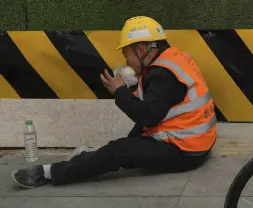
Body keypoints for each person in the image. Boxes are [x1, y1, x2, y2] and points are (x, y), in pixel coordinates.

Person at [12, 16, 216, 188]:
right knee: (128, 143)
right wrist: (134, 85)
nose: (126, 62)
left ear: (142, 49)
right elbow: (162, 101)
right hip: (198, 142)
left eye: (127, 55)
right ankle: (89, 159)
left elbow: (148, 116)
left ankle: (50, 173)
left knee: (119, 151)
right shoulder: (173, 58)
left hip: (185, 152)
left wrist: (119, 91)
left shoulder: (162, 74)